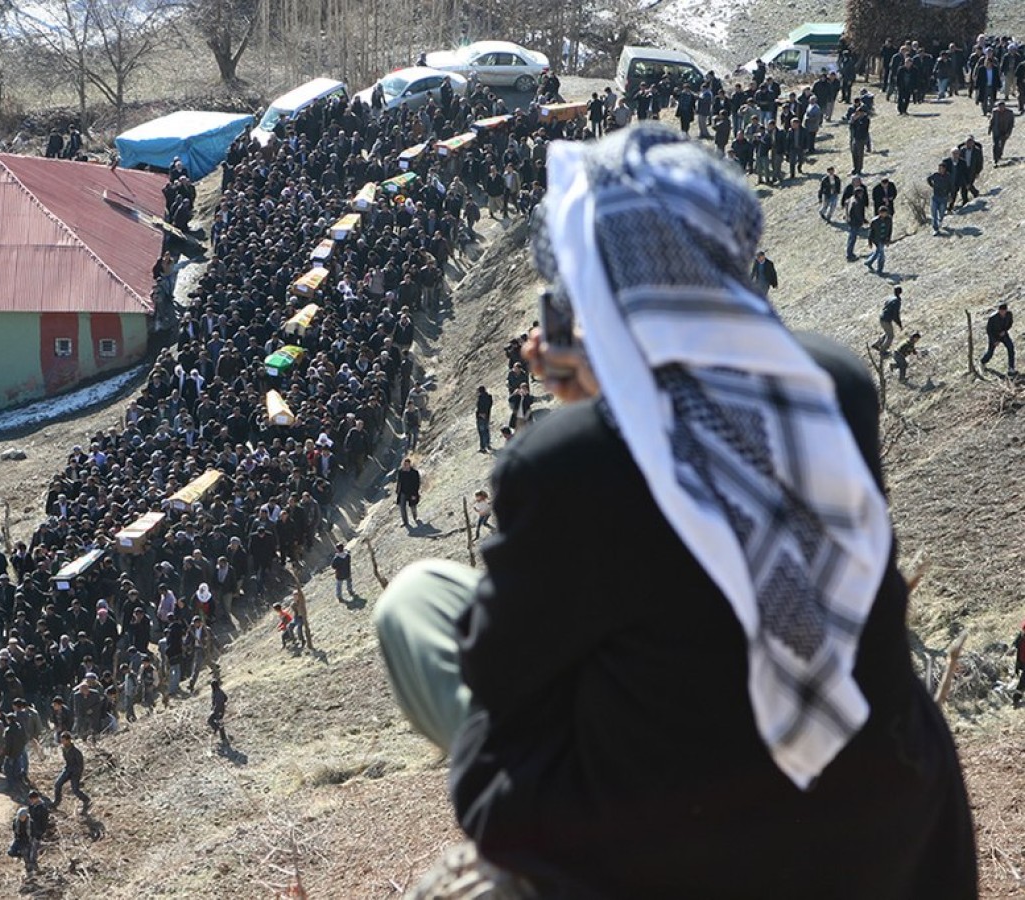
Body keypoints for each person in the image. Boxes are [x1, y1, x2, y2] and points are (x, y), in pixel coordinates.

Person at [373, 126, 975, 897]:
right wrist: (612, 381)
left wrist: (585, 407)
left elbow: (500, 672)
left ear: (586, 290)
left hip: (673, 851)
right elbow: (704, 437)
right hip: (887, 819)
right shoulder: (836, 387)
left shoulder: (563, 462)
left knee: (414, 603)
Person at [52, 732, 89, 814]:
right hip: (68, 769)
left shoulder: (76, 752)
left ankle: (86, 800)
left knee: (75, 790)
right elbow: (67, 762)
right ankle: (56, 802)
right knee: (57, 784)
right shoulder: (63, 749)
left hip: (75, 772)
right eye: (61, 741)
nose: (62, 742)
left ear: (69, 740)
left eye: (64, 740)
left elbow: (80, 765)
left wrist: (75, 775)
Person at [982, 302, 1016, 374]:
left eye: (1004, 311)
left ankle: (1011, 368)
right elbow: (989, 331)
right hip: (994, 336)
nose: (1002, 313)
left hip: (1004, 334)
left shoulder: (1009, 314)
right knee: (990, 352)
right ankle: (983, 362)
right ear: (999, 310)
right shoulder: (992, 318)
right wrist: (994, 341)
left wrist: (1005, 331)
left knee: (1011, 348)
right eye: (1001, 311)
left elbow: (1010, 323)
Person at [874, 287, 903, 354]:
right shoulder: (897, 301)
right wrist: (899, 324)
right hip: (886, 319)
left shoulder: (890, 298)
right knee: (890, 336)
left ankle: (876, 344)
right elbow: (895, 314)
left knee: (887, 332)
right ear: (901, 292)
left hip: (881, 317)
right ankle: (883, 351)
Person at [866, 205, 893, 275]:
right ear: (879, 213)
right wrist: (870, 242)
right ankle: (879, 270)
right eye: (883, 213)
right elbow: (870, 232)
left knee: (878, 252)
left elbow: (890, 230)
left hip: (884, 239)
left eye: (885, 213)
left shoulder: (889, 219)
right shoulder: (874, 221)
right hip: (876, 239)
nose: (884, 214)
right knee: (881, 255)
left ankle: (868, 262)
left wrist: (888, 240)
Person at [395, 458, 422, 528]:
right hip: (403, 492)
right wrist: (397, 491)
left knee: (413, 506)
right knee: (402, 507)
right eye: (404, 464)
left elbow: (417, 484)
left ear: (409, 465)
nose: (405, 466)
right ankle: (405, 522)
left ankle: (415, 517)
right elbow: (399, 482)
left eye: (406, 464)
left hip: (412, 492)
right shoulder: (400, 472)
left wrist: (415, 494)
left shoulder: (414, 472)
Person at [927, 163, 953, 234]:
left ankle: (940, 221)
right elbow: (928, 179)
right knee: (934, 213)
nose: (939, 170)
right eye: (939, 168)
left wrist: (950, 196)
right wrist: (932, 185)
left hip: (944, 198)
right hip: (935, 197)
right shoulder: (935, 175)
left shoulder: (948, 176)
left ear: (944, 169)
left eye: (941, 168)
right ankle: (935, 229)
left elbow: (951, 187)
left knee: (941, 213)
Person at [990, 100, 1015, 166]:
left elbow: (1011, 123)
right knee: (995, 144)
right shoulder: (994, 112)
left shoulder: (1009, 112)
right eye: (999, 107)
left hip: (1005, 131)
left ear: (1004, 106)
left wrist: (1009, 132)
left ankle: (1000, 154)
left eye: (1002, 107)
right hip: (996, 131)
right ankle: (995, 159)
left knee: (1002, 144)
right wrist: (990, 129)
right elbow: (992, 121)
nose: (1001, 108)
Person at [208, 679, 229, 747]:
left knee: (210, 720)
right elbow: (226, 698)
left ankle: (217, 730)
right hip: (221, 710)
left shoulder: (217, 693)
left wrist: (214, 710)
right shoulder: (220, 691)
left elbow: (217, 704)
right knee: (220, 724)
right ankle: (223, 739)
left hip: (218, 711)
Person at [475, 386, 493, 452]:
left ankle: (483, 448)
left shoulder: (480, 398)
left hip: (481, 417)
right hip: (487, 416)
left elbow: (480, 407)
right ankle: (488, 444)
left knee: (482, 432)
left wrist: (481, 414)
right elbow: (489, 405)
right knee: (486, 430)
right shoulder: (489, 397)